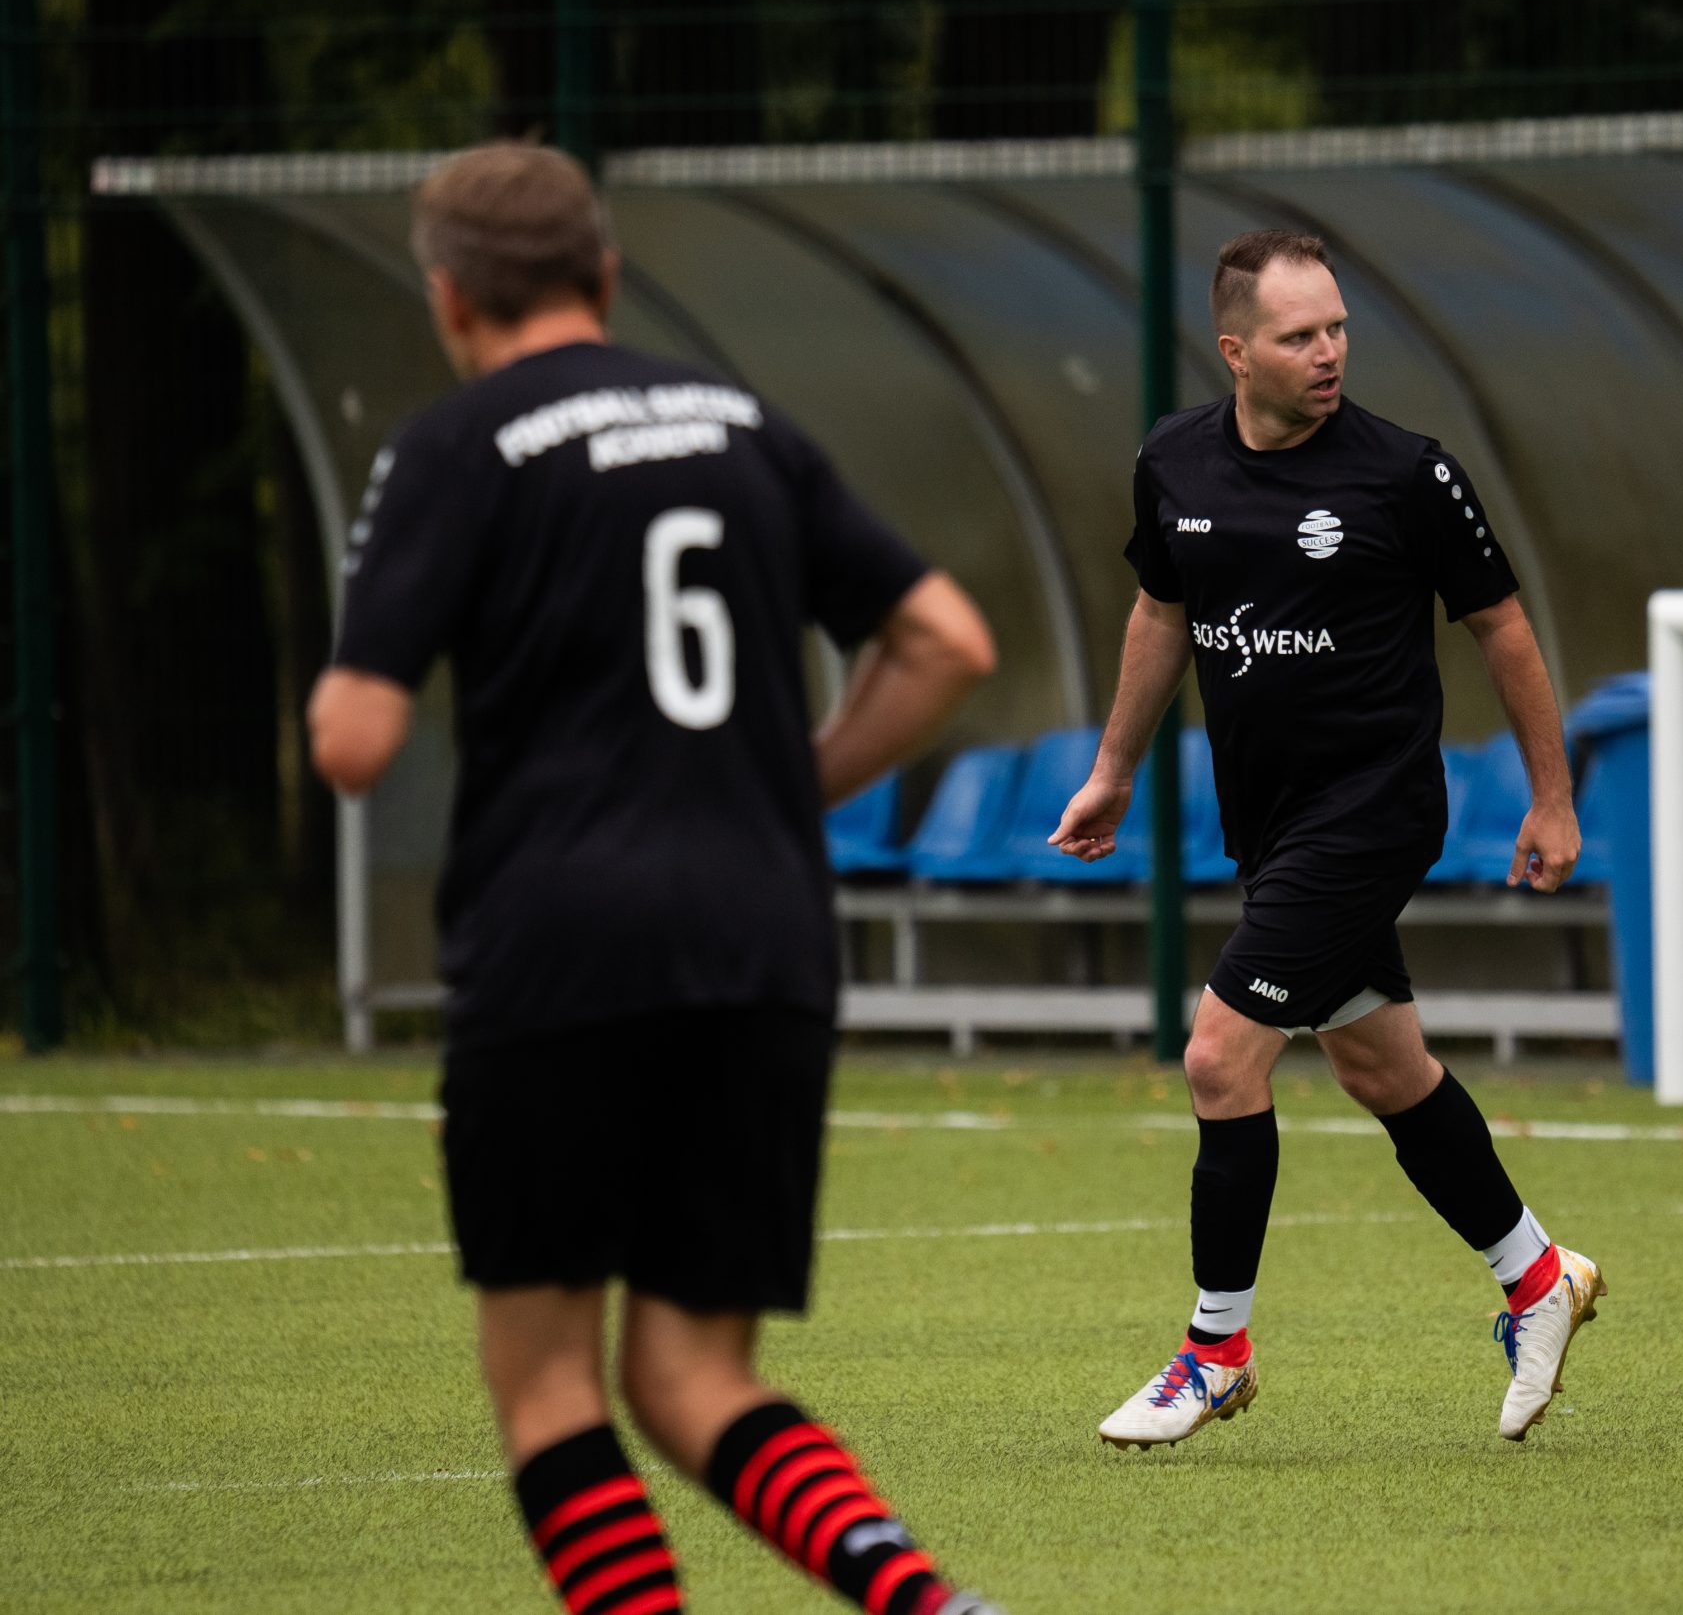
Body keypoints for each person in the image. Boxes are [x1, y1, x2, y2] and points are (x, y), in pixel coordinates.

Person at [307, 141, 1002, 1615]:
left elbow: (355, 743)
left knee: (551, 1388)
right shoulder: (743, 424)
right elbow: (948, 640)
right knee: (693, 1376)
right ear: (607, 276)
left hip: (557, 941)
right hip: (760, 936)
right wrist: (790, 782)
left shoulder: (456, 445)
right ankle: (924, 1602)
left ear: (450, 299)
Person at [1051, 228, 1605, 1449]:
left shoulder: (1406, 474)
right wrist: (1112, 771)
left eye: (1339, 328)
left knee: (1218, 1058)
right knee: (1379, 1068)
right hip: (1271, 822)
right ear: (1235, 349)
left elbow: (1502, 627)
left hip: (1374, 813)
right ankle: (1536, 1278)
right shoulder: (1174, 460)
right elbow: (1161, 612)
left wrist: (1552, 797)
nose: (1329, 352)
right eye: (1299, 335)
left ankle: (1214, 1353)